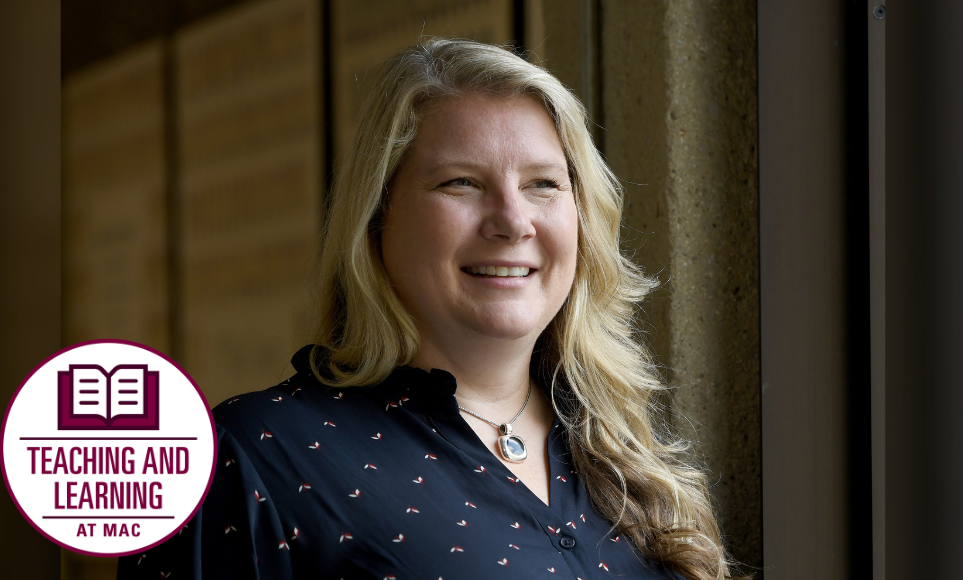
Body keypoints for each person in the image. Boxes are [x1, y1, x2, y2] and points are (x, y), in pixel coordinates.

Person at [118, 38, 742, 580]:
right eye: (460, 183)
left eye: (543, 184)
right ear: (378, 218)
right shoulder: (246, 457)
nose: (512, 221)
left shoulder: (623, 448)